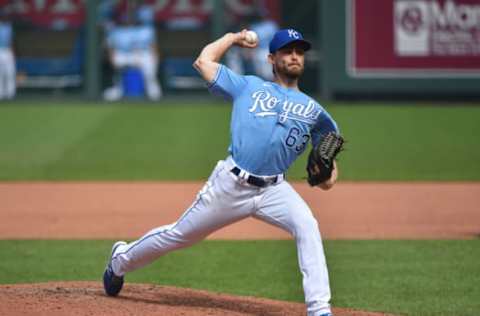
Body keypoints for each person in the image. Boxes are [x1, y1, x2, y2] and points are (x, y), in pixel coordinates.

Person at [103, 28, 339, 316]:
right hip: (231, 184)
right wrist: (233, 37)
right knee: (180, 235)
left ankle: (319, 309)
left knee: (307, 225)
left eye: (299, 52)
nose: (294, 56)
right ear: (271, 58)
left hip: (274, 190)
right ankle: (120, 260)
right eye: (287, 51)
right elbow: (203, 62)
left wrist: (326, 174)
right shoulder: (248, 86)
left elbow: (329, 178)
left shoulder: (317, 113)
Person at [103, 5, 162, 101]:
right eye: (126, 18)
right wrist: (111, 57)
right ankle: (118, 89)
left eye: (131, 18)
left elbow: (153, 47)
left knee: (149, 62)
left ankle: (152, 90)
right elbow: (111, 48)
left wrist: (155, 57)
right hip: (125, 55)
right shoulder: (115, 30)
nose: (128, 20)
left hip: (143, 55)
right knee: (118, 60)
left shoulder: (146, 29)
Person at [0, 14, 15, 100]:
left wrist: (12, 52)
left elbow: (10, 40)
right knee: (0, 73)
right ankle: (1, 93)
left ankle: (10, 93)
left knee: (10, 73)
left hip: (7, 51)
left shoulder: (8, 27)